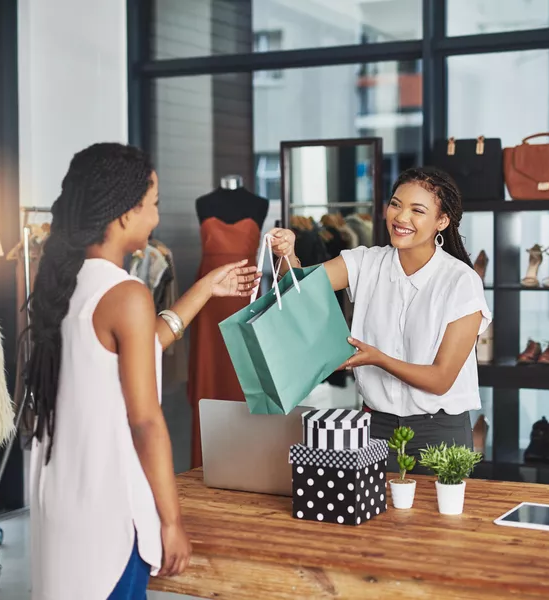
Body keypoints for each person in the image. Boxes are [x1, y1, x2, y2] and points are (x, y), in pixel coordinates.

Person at [25, 143, 261, 600]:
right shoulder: (126, 293)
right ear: (123, 216)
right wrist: (171, 521)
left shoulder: (63, 281)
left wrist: (205, 289)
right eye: (153, 206)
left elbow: (146, 341)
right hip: (109, 508)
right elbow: (146, 422)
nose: (156, 218)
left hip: (62, 498)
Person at [268, 166, 491, 473]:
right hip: (374, 428)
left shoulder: (461, 281)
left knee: (437, 522)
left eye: (417, 210)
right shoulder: (364, 263)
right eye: (396, 204)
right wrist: (286, 254)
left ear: (442, 220)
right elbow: (298, 289)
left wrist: (378, 359)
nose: (401, 217)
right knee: (373, 520)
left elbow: (441, 380)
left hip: (439, 433)